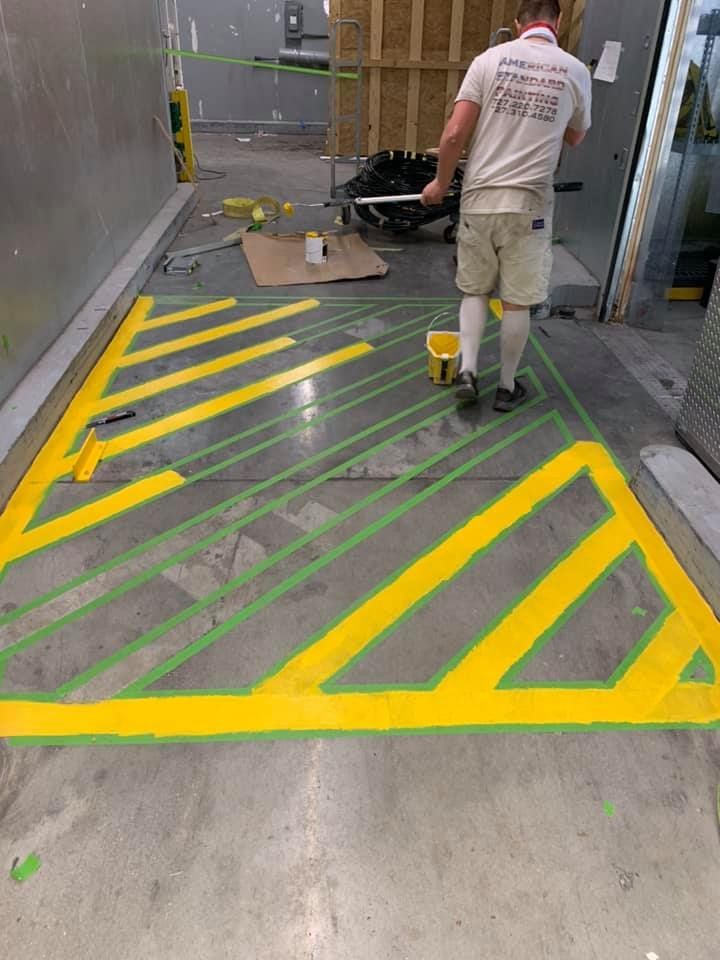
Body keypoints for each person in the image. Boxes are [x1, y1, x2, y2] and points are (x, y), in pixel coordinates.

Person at [421, 0, 592, 410]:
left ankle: (467, 370)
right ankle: (507, 386)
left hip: (481, 197)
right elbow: (575, 138)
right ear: (558, 22)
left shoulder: (488, 61)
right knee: (517, 300)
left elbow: (453, 135)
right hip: (529, 205)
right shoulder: (575, 70)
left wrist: (440, 184)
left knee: (475, 291)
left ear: (518, 23)